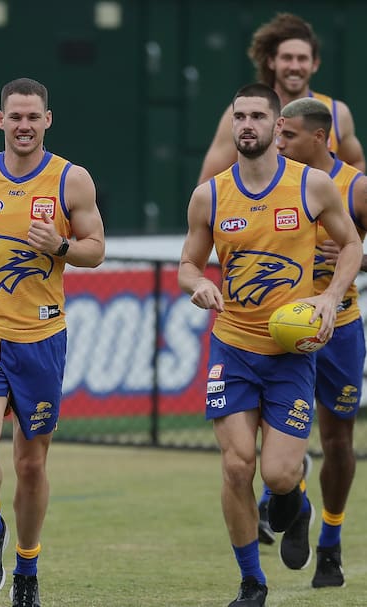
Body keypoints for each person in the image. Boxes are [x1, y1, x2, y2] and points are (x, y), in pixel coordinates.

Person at [178, 83, 361, 607]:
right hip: (232, 347)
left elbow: (350, 244)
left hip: (291, 355)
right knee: (237, 466)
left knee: (280, 473)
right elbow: (187, 264)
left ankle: (296, 503)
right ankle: (251, 583)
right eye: (240, 116)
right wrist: (199, 284)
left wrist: (329, 297)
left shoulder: (313, 186)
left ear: (277, 126)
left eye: (258, 115)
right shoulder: (210, 195)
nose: (247, 125)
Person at [0, 77, 105, 607]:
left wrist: (60, 244)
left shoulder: (70, 180)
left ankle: (28, 567)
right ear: (0, 120)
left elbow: (96, 249)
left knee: (31, 465)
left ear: (47, 121)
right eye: (15, 117)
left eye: (33, 117)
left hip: (41, 339)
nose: (24, 126)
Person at [271, 97, 367, 586]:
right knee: (274, 435)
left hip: (340, 330)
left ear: (320, 138)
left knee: (337, 439)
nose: (278, 142)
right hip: (282, 330)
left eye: (288, 136)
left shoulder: (356, 187)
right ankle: (294, 498)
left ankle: (330, 541)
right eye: (278, 133)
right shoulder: (271, 183)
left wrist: (358, 258)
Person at [198, 12, 365, 184]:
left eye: (302, 59)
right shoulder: (244, 113)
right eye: (287, 58)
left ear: (314, 64)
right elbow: (209, 181)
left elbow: (355, 162)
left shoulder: (336, 113)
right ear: (271, 61)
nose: (294, 66)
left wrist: (337, 202)